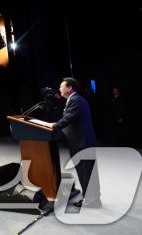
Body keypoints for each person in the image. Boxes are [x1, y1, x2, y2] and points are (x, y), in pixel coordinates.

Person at [47, 77, 101, 208]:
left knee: (86, 172)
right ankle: (93, 198)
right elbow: (70, 117)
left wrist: (55, 126)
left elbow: (69, 117)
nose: (59, 89)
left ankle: (91, 200)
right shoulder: (76, 99)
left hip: (82, 142)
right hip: (82, 141)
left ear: (70, 88)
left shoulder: (75, 100)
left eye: (61, 86)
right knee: (87, 172)